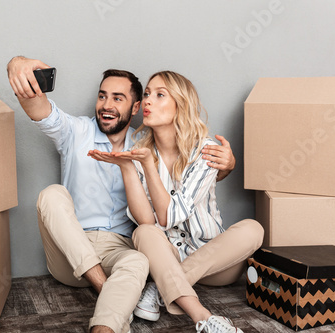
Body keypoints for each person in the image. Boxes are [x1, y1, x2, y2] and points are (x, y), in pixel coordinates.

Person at [7, 56, 236, 333]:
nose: (107, 105)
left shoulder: (145, 149)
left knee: (138, 260)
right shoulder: (75, 131)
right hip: (70, 249)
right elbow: (39, 109)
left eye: (118, 98)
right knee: (52, 194)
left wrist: (225, 167)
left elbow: (183, 182)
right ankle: (105, 287)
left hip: (120, 251)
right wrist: (18, 66)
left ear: (135, 106)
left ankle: (106, 327)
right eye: (102, 96)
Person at [88, 71, 264, 333]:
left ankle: (160, 289)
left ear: (180, 105)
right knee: (144, 232)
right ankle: (202, 317)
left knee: (253, 229)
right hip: (165, 259)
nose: (147, 101)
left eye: (160, 95)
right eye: (147, 94)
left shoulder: (204, 151)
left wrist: (146, 164)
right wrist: (129, 167)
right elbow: (148, 221)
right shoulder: (138, 151)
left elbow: (171, 216)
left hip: (214, 263)